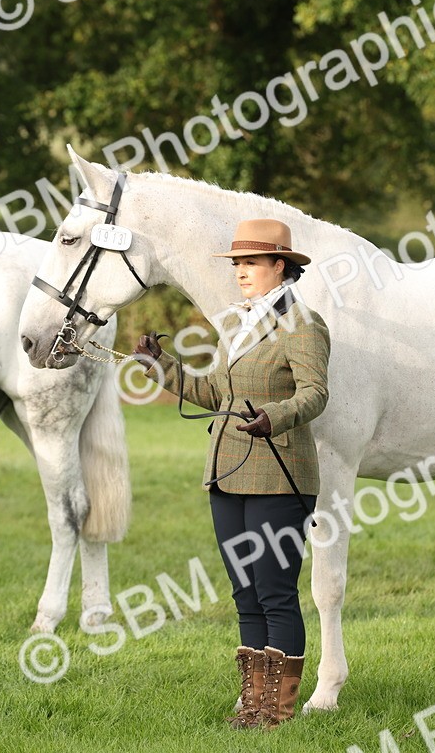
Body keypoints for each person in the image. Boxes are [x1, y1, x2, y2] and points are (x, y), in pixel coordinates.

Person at [134, 218, 331, 730]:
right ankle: (252, 704)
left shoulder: (304, 325)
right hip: (226, 474)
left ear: (279, 266)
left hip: (279, 474)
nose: (241, 272)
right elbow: (216, 395)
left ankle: (276, 711)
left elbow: (315, 394)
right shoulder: (237, 325)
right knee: (245, 593)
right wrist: (161, 365)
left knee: (274, 593)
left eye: (251, 263)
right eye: (237, 263)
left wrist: (275, 416)